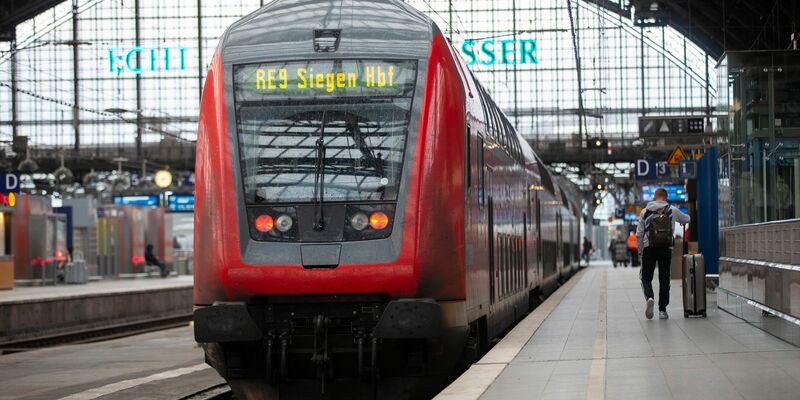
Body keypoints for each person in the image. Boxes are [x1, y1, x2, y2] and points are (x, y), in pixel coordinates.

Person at [636, 188, 690, 320]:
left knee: (646, 277)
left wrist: (640, 251)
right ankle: (662, 310)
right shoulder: (672, 210)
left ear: (655, 197)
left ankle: (649, 297)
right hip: (666, 248)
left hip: (649, 247)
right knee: (664, 279)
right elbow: (686, 219)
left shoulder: (645, 211)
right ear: (666, 198)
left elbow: (639, 234)